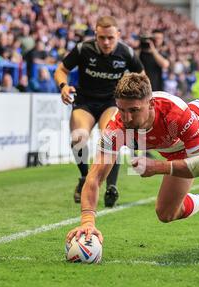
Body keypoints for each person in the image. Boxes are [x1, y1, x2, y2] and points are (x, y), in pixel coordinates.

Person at [66, 73, 199, 244]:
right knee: (167, 214)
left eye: (134, 110)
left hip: (180, 148)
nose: (127, 118)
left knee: (166, 213)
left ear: (150, 103)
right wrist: (87, 220)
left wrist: (157, 167)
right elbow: (95, 177)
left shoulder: (176, 114)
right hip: (168, 137)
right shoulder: (116, 126)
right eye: (122, 109)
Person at [54, 16, 144, 207]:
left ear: (118, 35)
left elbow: (142, 78)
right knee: (79, 138)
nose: (106, 42)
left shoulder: (126, 52)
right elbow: (61, 69)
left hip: (111, 102)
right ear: (95, 34)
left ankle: (111, 186)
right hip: (85, 102)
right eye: (101, 37)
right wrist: (63, 86)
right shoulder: (83, 49)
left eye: (110, 37)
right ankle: (86, 178)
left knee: (111, 137)